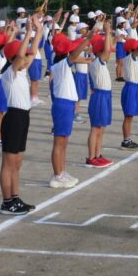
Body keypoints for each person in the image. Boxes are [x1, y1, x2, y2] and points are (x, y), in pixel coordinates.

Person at [0, 15, 44, 214]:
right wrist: (26, 34)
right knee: (9, 162)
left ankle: (15, 197)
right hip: (13, 118)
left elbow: (33, 50)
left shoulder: (22, 71)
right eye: (22, 56)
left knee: (17, 162)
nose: (26, 59)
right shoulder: (9, 73)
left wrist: (39, 30)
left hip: (23, 116)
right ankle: (7, 201)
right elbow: (19, 57)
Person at [49, 31, 91, 189]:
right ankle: (57, 175)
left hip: (67, 104)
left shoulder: (62, 63)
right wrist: (89, 38)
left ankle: (62, 171)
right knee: (59, 143)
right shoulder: (62, 63)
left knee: (64, 142)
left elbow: (77, 55)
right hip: (62, 105)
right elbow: (75, 53)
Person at [86, 19, 115, 167]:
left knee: (101, 128)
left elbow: (108, 50)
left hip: (105, 95)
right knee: (95, 128)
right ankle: (91, 157)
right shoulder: (97, 61)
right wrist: (107, 31)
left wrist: (108, 34)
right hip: (99, 96)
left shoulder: (99, 61)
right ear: (99, 51)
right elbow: (107, 51)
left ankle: (98, 155)